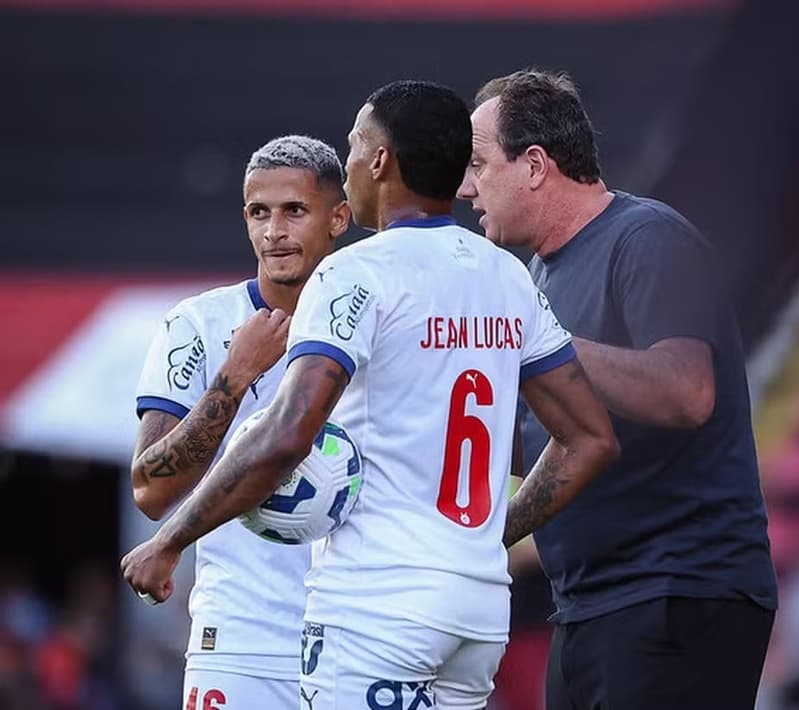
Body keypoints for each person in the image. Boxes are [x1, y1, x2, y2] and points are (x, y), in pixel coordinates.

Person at [121, 79, 619, 709]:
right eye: (258, 212)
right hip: (469, 605)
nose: (275, 230)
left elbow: (286, 435)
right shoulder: (503, 275)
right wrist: (489, 534)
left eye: (355, 145)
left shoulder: (356, 274)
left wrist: (169, 543)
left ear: (378, 163)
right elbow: (591, 437)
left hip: (378, 604)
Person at [457, 68, 779, 709]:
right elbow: (550, 435)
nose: (467, 187)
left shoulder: (647, 236)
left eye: (478, 164)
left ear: (536, 164)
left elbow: (687, 393)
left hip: (676, 594)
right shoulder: (538, 278)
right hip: (588, 604)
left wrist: (540, 341)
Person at [130, 134, 350, 709]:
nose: (273, 231)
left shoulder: (376, 319)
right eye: (259, 212)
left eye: (294, 211)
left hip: (363, 631)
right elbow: (151, 488)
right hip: (241, 639)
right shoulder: (198, 324)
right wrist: (234, 377)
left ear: (339, 217)